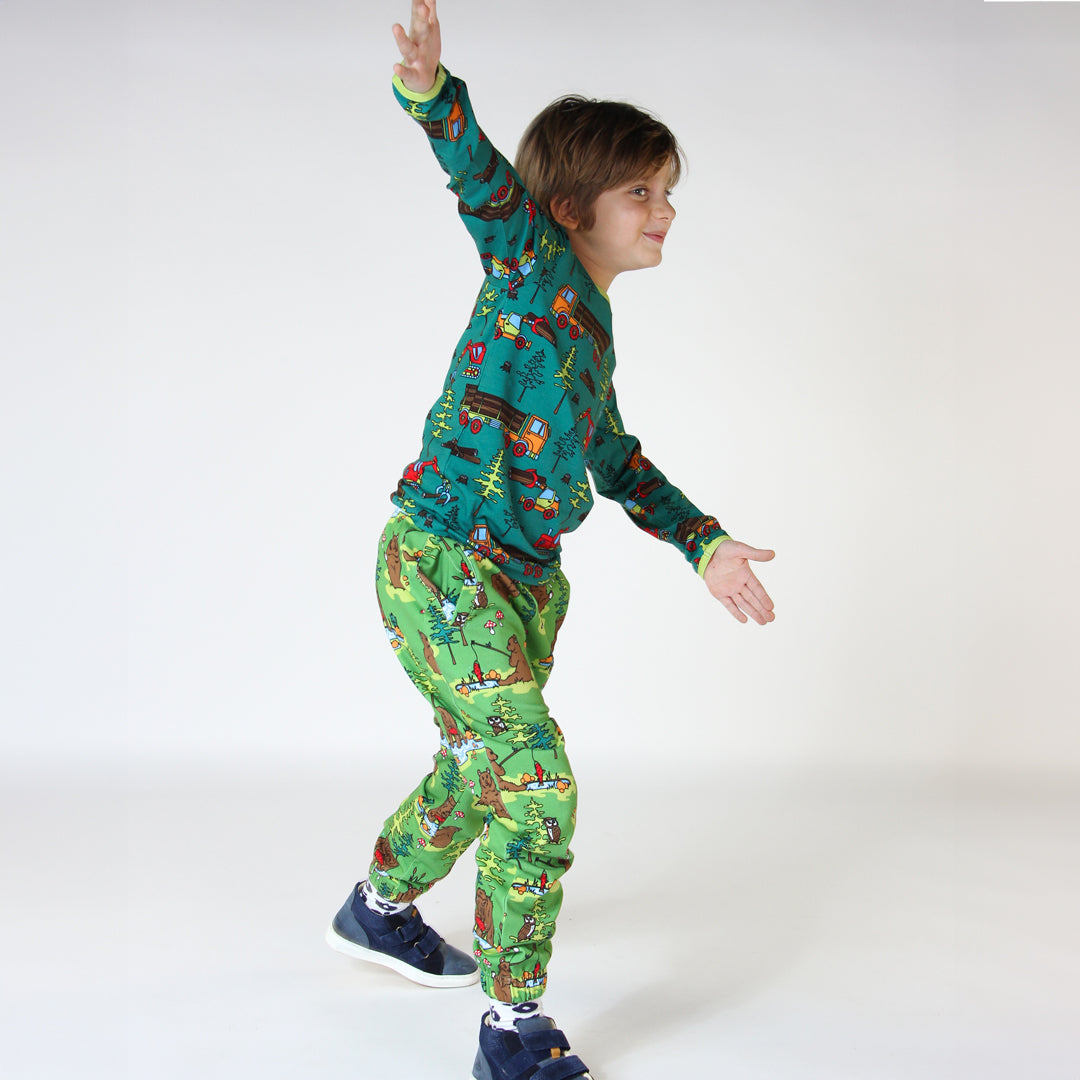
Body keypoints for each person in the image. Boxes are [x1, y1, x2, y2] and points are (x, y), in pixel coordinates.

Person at [326, 3, 776, 1077]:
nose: (665, 210)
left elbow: (614, 457)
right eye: (642, 193)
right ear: (572, 209)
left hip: (521, 587)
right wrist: (433, 95)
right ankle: (513, 1026)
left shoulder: (593, 333)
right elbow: (481, 181)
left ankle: (379, 906)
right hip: (442, 563)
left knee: (479, 764)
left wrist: (704, 543)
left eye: (668, 192)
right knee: (536, 783)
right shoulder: (531, 265)